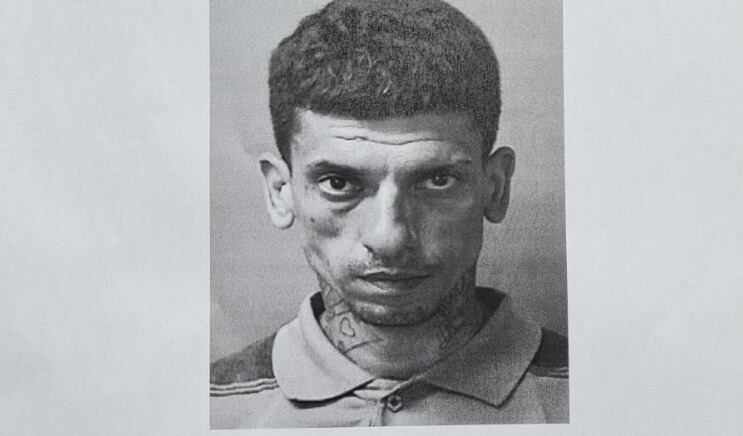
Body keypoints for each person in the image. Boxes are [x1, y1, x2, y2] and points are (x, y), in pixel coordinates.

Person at [210, 0, 568, 427]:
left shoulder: (603, 396)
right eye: (338, 184)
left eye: (437, 180)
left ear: (495, 186)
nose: (389, 238)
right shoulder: (204, 409)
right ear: (280, 192)